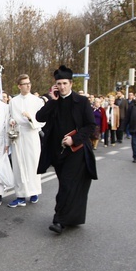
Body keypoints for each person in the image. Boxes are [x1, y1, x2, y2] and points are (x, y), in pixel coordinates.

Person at [36, 65, 98, 234]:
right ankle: (72, 217)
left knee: (67, 186)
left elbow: (91, 126)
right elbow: (39, 117)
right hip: (57, 153)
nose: (62, 87)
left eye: (64, 83)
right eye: (59, 84)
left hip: (76, 152)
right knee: (66, 185)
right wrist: (52, 101)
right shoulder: (54, 102)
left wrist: (74, 139)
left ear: (71, 83)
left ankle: (59, 220)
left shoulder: (82, 102)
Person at [7, 74, 45, 207]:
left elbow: (42, 120)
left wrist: (30, 118)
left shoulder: (37, 101)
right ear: (19, 86)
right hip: (18, 136)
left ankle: (34, 192)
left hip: (31, 135)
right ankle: (20, 195)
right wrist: (11, 121)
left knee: (32, 164)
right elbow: (10, 117)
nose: (28, 85)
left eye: (29, 83)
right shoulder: (13, 101)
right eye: (25, 83)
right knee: (18, 166)